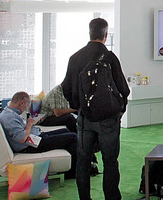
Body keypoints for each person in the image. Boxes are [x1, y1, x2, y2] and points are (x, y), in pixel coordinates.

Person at [61, 17, 130, 200]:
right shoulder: (110, 57)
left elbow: (66, 88)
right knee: (110, 162)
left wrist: (79, 108)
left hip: (85, 119)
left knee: (83, 161)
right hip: (108, 118)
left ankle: (85, 198)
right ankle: (112, 198)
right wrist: (120, 109)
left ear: (89, 32)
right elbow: (123, 89)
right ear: (106, 35)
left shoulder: (74, 58)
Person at [0, 91, 77, 178]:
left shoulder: (9, 112)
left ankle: (73, 165)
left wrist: (33, 122)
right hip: (31, 145)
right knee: (73, 137)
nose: (25, 109)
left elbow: (21, 130)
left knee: (65, 131)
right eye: (26, 106)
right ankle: (72, 173)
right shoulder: (9, 118)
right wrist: (29, 124)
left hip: (35, 137)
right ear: (22, 103)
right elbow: (22, 138)